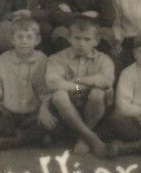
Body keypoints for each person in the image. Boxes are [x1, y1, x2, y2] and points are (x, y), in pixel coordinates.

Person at [0, 17, 55, 151]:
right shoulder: (3, 59)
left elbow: (46, 91)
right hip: (8, 114)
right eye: (20, 37)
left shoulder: (43, 60)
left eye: (29, 37)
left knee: (52, 119)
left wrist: (45, 108)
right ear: (12, 39)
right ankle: (29, 138)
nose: (24, 41)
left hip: (32, 115)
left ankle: (8, 141)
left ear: (37, 40)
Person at [46, 16, 115, 157]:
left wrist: (82, 79)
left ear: (96, 41)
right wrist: (81, 86)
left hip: (93, 107)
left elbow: (107, 81)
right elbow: (53, 82)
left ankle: (84, 137)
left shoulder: (103, 59)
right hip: (68, 108)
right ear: (69, 39)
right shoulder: (57, 58)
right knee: (59, 95)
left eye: (87, 39)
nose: (81, 44)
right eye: (77, 38)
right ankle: (91, 138)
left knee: (98, 93)